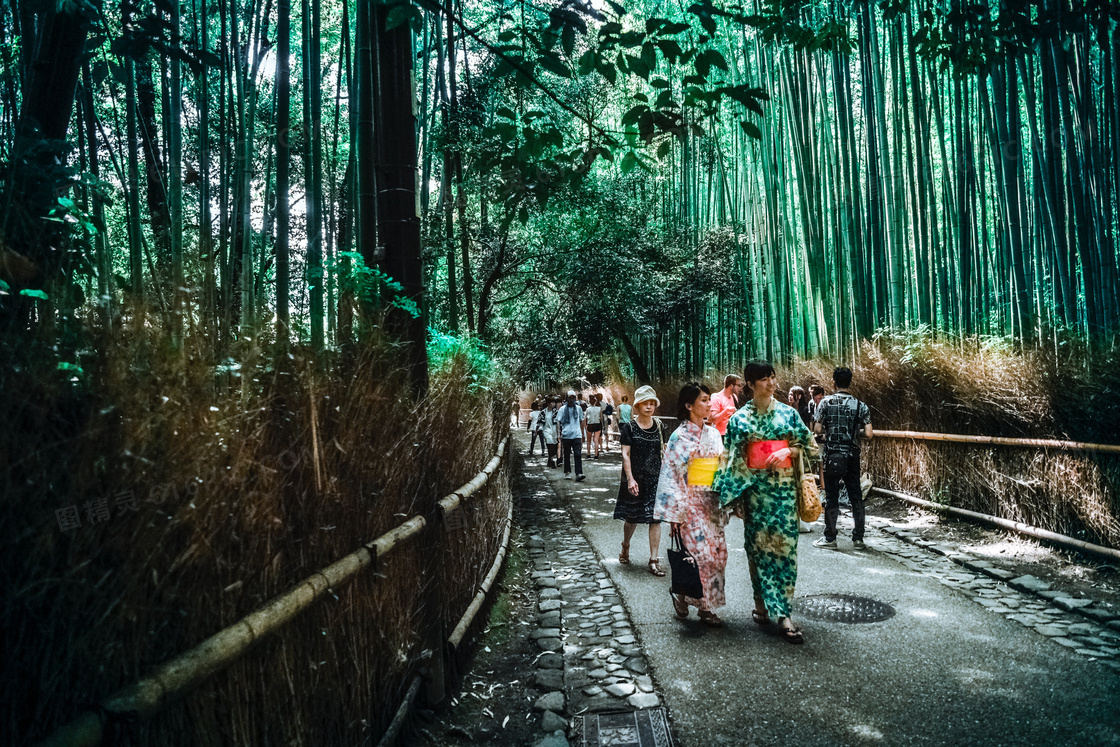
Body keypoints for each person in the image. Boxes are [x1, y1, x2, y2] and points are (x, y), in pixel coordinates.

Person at [713, 360, 817, 644]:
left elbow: (810, 447)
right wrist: (735, 498)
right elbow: (730, 459)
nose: (771, 383)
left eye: (773, 377)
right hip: (755, 494)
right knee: (757, 551)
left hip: (784, 494)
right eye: (764, 379)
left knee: (785, 552)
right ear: (750, 384)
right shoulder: (739, 420)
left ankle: (783, 614)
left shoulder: (788, 414)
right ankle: (760, 602)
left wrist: (788, 452)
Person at [655, 382, 728, 626]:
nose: (709, 404)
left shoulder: (714, 433)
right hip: (689, 503)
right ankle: (693, 601)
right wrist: (674, 515)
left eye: (709, 399)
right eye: (704, 400)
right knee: (698, 555)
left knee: (718, 555)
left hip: (712, 502)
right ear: (689, 405)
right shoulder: (679, 437)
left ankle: (704, 604)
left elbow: (722, 467)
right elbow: (671, 476)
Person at [813, 367, 873, 550]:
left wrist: (829, 432)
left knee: (832, 497)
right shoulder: (860, 405)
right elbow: (869, 434)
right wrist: (855, 431)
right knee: (856, 497)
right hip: (852, 455)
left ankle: (830, 537)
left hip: (832, 455)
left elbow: (817, 429)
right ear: (850, 382)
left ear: (834, 382)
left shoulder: (825, 403)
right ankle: (858, 539)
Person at [615, 385, 668, 576]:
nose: (649, 406)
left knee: (656, 519)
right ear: (637, 406)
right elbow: (625, 454)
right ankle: (625, 545)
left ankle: (654, 560)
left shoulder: (660, 426)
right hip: (635, 477)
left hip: (655, 479)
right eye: (645, 403)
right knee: (632, 518)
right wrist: (630, 479)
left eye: (652, 403)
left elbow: (665, 450)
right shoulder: (629, 427)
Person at [557, 390, 587, 482]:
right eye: (570, 397)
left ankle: (578, 473)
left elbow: (582, 421)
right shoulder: (562, 409)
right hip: (566, 435)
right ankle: (567, 472)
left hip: (577, 435)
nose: (571, 399)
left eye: (573, 397)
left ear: (575, 398)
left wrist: (583, 434)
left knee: (578, 454)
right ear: (567, 398)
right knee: (566, 454)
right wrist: (559, 433)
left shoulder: (578, 409)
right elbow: (558, 421)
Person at [543, 398, 560, 468]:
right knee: (550, 446)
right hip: (547, 430)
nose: (553, 404)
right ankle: (552, 461)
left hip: (554, 430)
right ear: (548, 404)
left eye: (554, 403)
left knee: (554, 445)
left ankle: (550, 460)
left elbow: (558, 422)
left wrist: (558, 432)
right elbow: (540, 421)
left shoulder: (556, 412)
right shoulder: (543, 412)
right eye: (552, 403)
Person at [586, 394, 603, 458]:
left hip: (590, 424)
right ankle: (596, 455)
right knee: (596, 440)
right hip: (597, 424)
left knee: (588, 440)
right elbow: (601, 418)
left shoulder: (588, 409)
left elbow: (585, 418)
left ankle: (588, 454)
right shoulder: (599, 409)